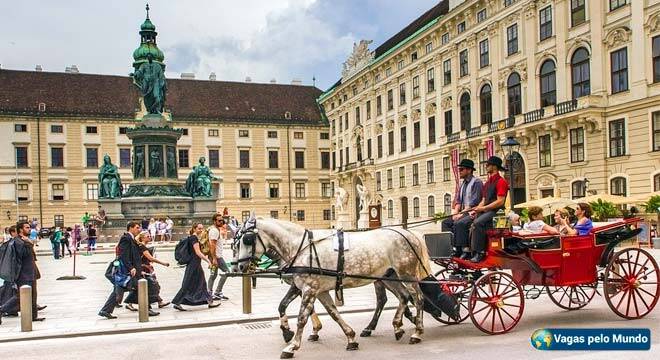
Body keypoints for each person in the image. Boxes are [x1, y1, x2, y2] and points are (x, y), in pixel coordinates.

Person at [466, 156, 510, 263]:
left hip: (497, 212)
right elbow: (484, 200)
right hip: (488, 211)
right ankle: (470, 250)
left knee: (478, 223)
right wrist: (476, 209)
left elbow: (500, 201)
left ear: (494, 167)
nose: (486, 166)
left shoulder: (501, 182)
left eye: (488, 165)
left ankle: (480, 252)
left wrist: (483, 208)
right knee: (471, 222)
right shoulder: (487, 183)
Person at [0, 221, 44, 324]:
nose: (29, 229)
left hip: (31, 272)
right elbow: (22, 255)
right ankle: (1, 310)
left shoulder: (24, 240)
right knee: (20, 296)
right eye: (27, 228)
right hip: (23, 274)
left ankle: (33, 316)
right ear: (21, 229)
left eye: (29, 227)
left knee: (33, 295)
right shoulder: (18, 241)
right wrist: (29, 243)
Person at [98, 221, 143, 319]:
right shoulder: (126, 238)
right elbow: (124, 255)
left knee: (121, 288)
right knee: (138, 286)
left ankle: (105, 310)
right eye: (137, 227)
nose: (139, 230)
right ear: (130, 228)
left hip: (130, 269)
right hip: (127, 270)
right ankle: (146, 308)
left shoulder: (131, 238)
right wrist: (131, 267)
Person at [172, 223, 220, 311]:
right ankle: (177, 302)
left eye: (202, 229)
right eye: (199, 228)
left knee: (199, 283)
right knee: (188, 284)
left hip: (194, 264)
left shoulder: (192, 237)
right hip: (194, 265)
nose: (201, 230)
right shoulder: (194, 238)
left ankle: (209, 302)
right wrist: (208, 261)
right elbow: (197, 252)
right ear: (194, 229)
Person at [441, 159, 483, 258]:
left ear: (469, 170)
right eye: (459, 169)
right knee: (445, 222)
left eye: (461, 169)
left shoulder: (477, 182)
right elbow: (458, 201)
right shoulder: (462, 184)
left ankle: (465, 250)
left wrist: (461, 214)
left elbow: (474, 202)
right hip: (463, 212)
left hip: (473, 212)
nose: (459, 171)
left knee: (459, 223)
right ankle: (452, 247)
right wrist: (455, 212)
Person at [124, 231, 170, 315]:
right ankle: (147, 307)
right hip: (143, 269)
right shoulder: (142, 246)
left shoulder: (141, 246)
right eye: (148, 236)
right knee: (151, 286)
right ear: (142, 237)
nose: (150, 237)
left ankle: (159, 302)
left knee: (148, 286)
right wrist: (164, 263)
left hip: (145, 268)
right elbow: (150, 258)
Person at [208, 214, 230, 301]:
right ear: (214, 221)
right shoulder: (214, 231)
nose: (221, 222)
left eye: (222, 220)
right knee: (226, 272)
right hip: (217, 257)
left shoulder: (215, 230)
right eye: (219, 220)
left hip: (215, 256)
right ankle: (217, 292)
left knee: (213, 275)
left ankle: (209, 293)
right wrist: (214, 258)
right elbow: (212, 244)